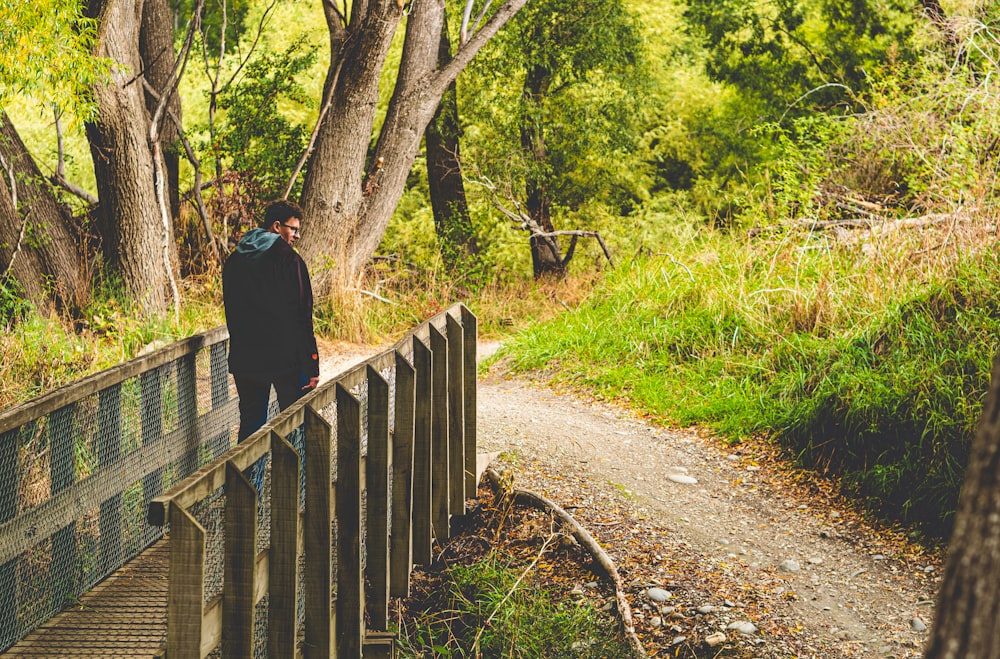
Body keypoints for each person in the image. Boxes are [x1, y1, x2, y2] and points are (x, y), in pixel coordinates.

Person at [222, 200, 320, 462]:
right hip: (286, 360)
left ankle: (245, 496)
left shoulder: (235, 261)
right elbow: (302, 315)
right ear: (277, 226)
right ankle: (292, 495)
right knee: (294, 426)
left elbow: (232, 310)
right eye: (293, 229)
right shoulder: (290, 261)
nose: (296, 236)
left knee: (251, 429)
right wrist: (311, 364)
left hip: (246, 358)